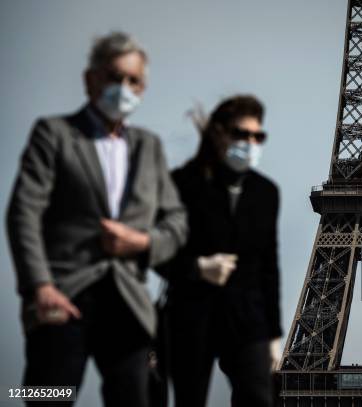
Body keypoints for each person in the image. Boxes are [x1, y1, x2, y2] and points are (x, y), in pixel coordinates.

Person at [5, 31, 187, 406]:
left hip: (128, 304)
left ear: (143, 87)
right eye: (114, 77)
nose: (123, 87)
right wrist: (40, 287)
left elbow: (177, 223)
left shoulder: (149, 146)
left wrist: (141, 242)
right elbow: (23, 210)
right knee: (44, 398)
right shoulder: (53, 134)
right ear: (90, 80)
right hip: (62, 296)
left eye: (133, 80)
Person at [158, 95, 282, 407]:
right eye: (242, 134)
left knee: (258, 399)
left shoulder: (265, 192)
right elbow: (157, 252)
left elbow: (269, 265)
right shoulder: (182, 184)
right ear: (218, 132)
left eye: (258, 136)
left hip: (248, 318)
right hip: (192, 313)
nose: (251, 143)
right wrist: (198, 268)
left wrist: (274, 335)